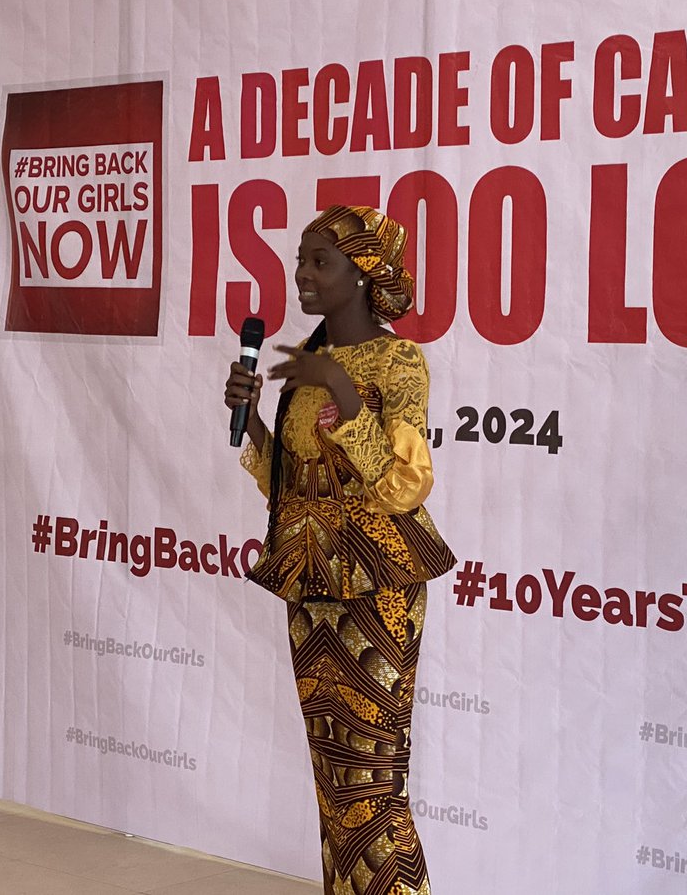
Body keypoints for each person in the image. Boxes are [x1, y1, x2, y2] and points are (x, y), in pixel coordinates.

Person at [223, 205, 455, 895]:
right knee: (332, 773)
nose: (302, 274)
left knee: (373, 779)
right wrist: (256, 422)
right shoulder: (310, 363)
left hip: (378, 581)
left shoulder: (398, 361)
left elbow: (404, 485)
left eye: (319, 261)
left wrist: (346, 394)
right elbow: (292, 485)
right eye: (300, 259)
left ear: (362, 275)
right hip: (309, 577)